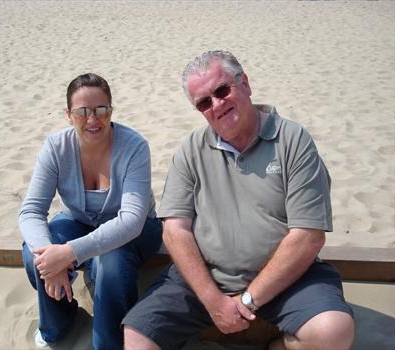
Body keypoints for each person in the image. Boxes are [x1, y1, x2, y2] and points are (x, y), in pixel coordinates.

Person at [122, 50, 354, 350]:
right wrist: (213, 300)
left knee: (333, 331)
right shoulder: (191, 149)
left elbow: (308, 236)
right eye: (204, 102)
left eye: (222, 90)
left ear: (244, 82)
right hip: (206, 280)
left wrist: (246, 300)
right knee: (137, 337)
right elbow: (175, 229)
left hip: (290, 279)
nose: (217, 105)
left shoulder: (293, 140)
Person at [19, 73, 162, 349]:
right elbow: (31, 211)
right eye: (83, 111)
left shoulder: (134, 147)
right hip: (80, 222)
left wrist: (69, 253)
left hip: (138, 230)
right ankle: (59, 324)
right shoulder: (56, 147)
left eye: (100, 110)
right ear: (68, 114)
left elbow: (132, 221)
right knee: (34, 252)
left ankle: (108, 342)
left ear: (111, 110)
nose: (93, 120)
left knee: (111, 262)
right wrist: (52, 261)